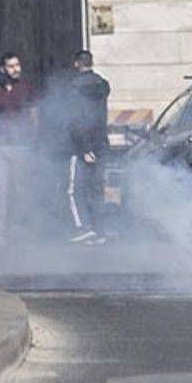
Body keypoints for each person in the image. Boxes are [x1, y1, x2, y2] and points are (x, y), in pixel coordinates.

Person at [0, 52, 38, 244]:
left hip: (21, 146)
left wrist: (32, 141)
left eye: (17, 65)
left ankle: (24, 230)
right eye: (11, 66)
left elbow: (35, 117)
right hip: (0, 146)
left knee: (21, 189)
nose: (15, 69)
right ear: (2, 69)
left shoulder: (27, 88)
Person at [65, 50, 110, 244]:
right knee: (97, 187)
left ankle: (84, 227)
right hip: (101, 142)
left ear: (77, 64)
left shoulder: (73, 88)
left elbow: (77, 119)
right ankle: (99, 229)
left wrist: (84, 148)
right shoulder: (103, 85)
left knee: (75, 189)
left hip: (82, 145)